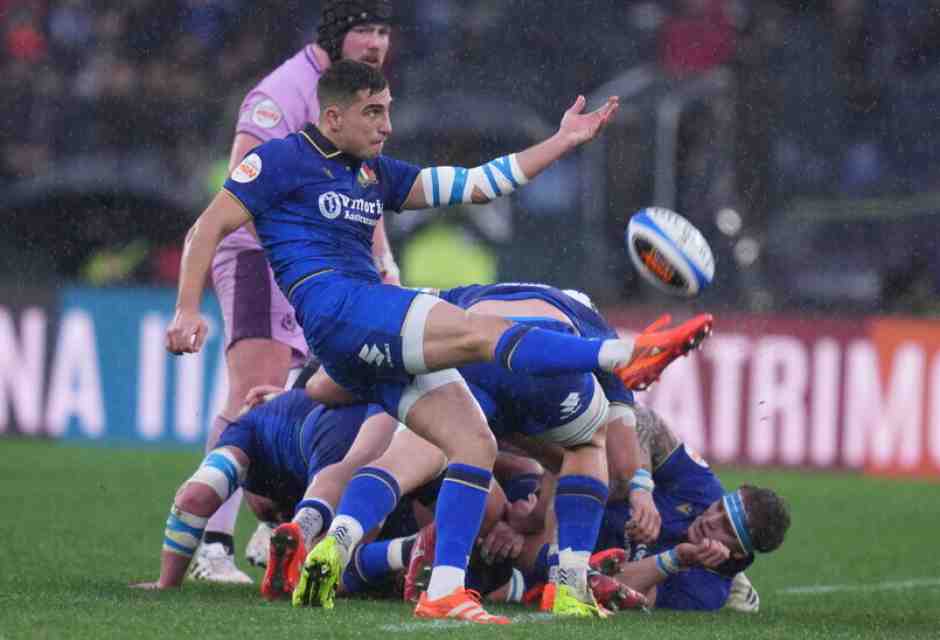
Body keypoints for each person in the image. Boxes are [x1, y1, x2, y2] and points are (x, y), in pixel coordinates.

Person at [165, 59, 713, 623]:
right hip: (346, 308)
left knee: (472, 444)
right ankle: (620, 355)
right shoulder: (279, 160)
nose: (386, 126)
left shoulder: (374, 173)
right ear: (332, 116)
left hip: (355, 336)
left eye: (389, 111)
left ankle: (444, 589)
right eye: (372, 112)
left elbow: (477, 183)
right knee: (482, 333)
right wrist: (186, 310)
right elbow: (206, 228)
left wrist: (562, 140)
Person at [191, 0, 399, 584]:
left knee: (308, 397)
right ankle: (210, 544)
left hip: (320, 267)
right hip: (262, 258)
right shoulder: (281, 93)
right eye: (364, 29)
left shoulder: (358, 92)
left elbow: (363, 182)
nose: (376, 42)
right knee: (249, 393)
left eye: (384, 30)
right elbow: (239, 185)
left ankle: (276, 518)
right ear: (336, 33)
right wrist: (306, 256)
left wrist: (383, 261)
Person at [129, 389, 396, 591]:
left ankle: (404, 554)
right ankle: (409, 553)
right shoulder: (259, 419)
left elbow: (194, 499)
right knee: (349, 550)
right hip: (376, 420)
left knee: (329, 567)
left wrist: (166, 583)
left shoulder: (249, 426)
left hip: (335, 429)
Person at [589, 404, 791, 611]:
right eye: (719, 507)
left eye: (726, 527)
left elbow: (611, 591)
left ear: (738, 553)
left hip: (585, 553)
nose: (710, 520)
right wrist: (641, 487)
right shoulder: (703, 488)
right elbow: (643, 418)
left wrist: (676, 558)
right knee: (625, 474)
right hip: (588, 503)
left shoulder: (706, 591)